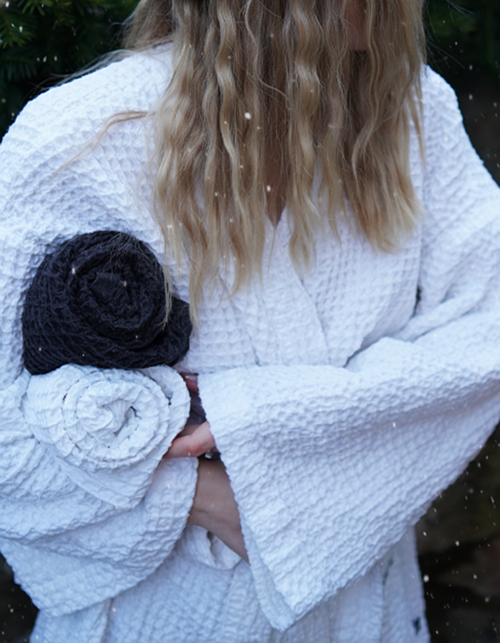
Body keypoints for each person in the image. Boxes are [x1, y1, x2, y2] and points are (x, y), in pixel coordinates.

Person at [1, 0, 500, 641]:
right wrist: (198, 497)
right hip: (163, 620)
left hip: (367, 615)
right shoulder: (83, 139)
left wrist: (263, 417)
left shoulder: (408, 111)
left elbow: (489, 323)